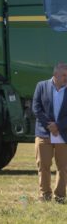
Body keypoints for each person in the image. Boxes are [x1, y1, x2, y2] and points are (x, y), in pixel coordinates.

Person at [33, 62, 67, 202]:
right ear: (55, 74)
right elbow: (36, 108)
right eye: (64, 75)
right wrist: (50, 125)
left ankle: (60, 196)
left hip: (63, 134)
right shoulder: (41, 86)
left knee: (63, 167)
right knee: (43, 165)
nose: (66, 78)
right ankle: (45, 195)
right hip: (44, 133)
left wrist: (58, 125)